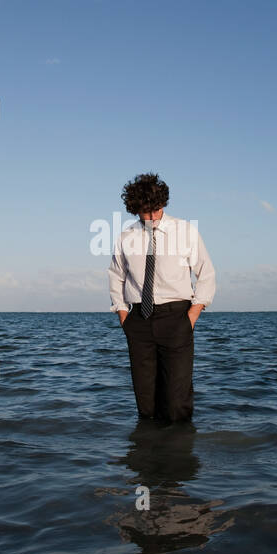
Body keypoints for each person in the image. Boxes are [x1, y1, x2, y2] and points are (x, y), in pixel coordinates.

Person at [108, 173, 216, 423]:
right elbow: (116, 276)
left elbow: (206, 273)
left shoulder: (185, 231)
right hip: (138, 321)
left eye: (156, 209)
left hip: (177, 317)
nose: (153, 217)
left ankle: (178, 457)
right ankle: (147, 458)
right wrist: (124, 316)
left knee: (176, 403)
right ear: (135, 209)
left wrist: (191, 316)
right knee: (146, 403)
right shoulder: (126, 237)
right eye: (146, 211)